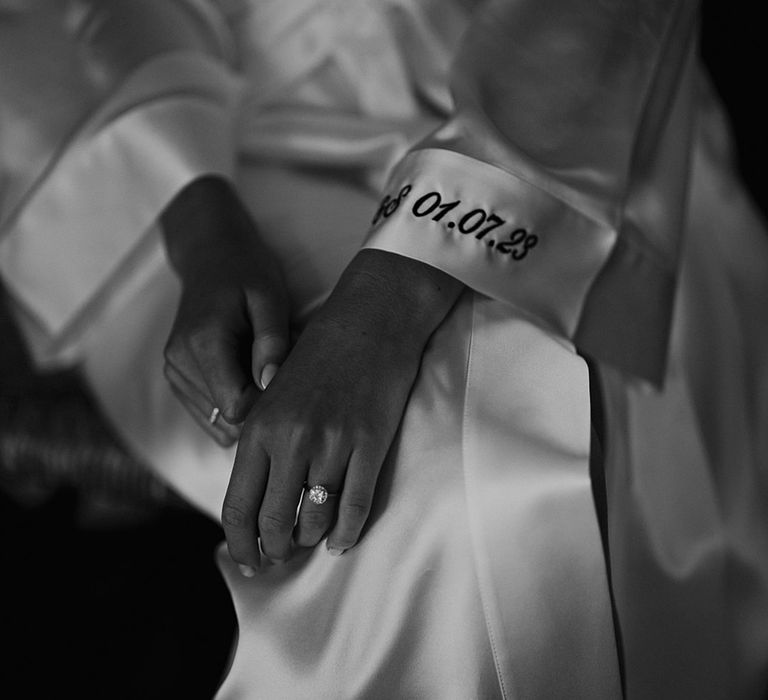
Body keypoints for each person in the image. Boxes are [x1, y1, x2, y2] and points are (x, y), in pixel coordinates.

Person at [1, 1, 767, 697]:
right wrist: (198, 222)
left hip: (580, 126)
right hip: (195, 134)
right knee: (410, 497)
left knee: (493, 472)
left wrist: (387, 302)